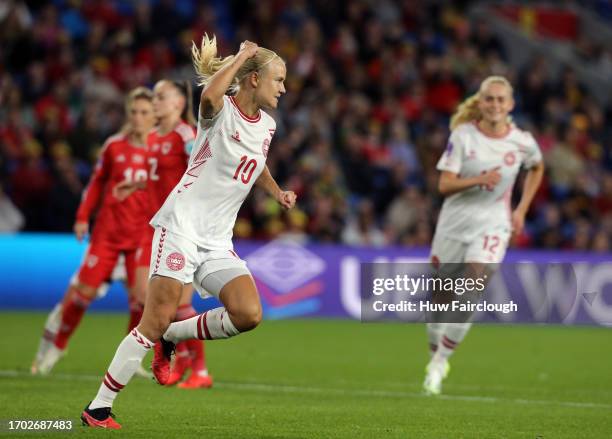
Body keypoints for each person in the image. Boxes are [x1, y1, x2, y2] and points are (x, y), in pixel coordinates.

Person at [81, 35, 295, 429]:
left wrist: (276, 190)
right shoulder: (219, 110)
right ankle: (99, 407)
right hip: (181, 227)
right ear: (253, 80)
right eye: (277, 79)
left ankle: (172, 337)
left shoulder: (267, 125)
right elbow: (209, 98)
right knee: (151, 321)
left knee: (248, 313)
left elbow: (254, 162)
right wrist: (244, 55)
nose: (283, 88)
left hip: (217, 239)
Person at [423, 76, 544, 395]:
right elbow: (444, 185)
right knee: (440, 300)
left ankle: (440, 363)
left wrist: (520, 210)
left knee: (471, 290)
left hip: (493, 224)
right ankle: (435, 353)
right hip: (454, 223)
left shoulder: (521, 141)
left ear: (511, 105)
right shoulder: (463, 136)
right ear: (480, 102)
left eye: (501, 100)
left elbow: (537, 167)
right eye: (489, 99)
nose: (495, 105)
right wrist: (479, 179)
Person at [34, 87, 156, 375]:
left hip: (140, 235)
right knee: (81, 295)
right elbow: (96, 184)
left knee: (142, 299)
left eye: (145, 113)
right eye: (134, 112)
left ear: (155, 116)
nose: (138, 118)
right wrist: (81, 217)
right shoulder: (114, 145)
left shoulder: (160, 149)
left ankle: (132, 359)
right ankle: (59, 344)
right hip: (108, 234)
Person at [123, 78, 213, 389]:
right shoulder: (151, 137)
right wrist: (133, 185)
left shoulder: (186, 135)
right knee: (143, 297)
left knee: (178, 305)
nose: (155, 101)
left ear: (178, 102)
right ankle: (182, 357)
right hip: (152, 228)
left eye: (162, 96)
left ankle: (198, 368)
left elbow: (205, 168)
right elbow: (156, 178)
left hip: (180, 229)